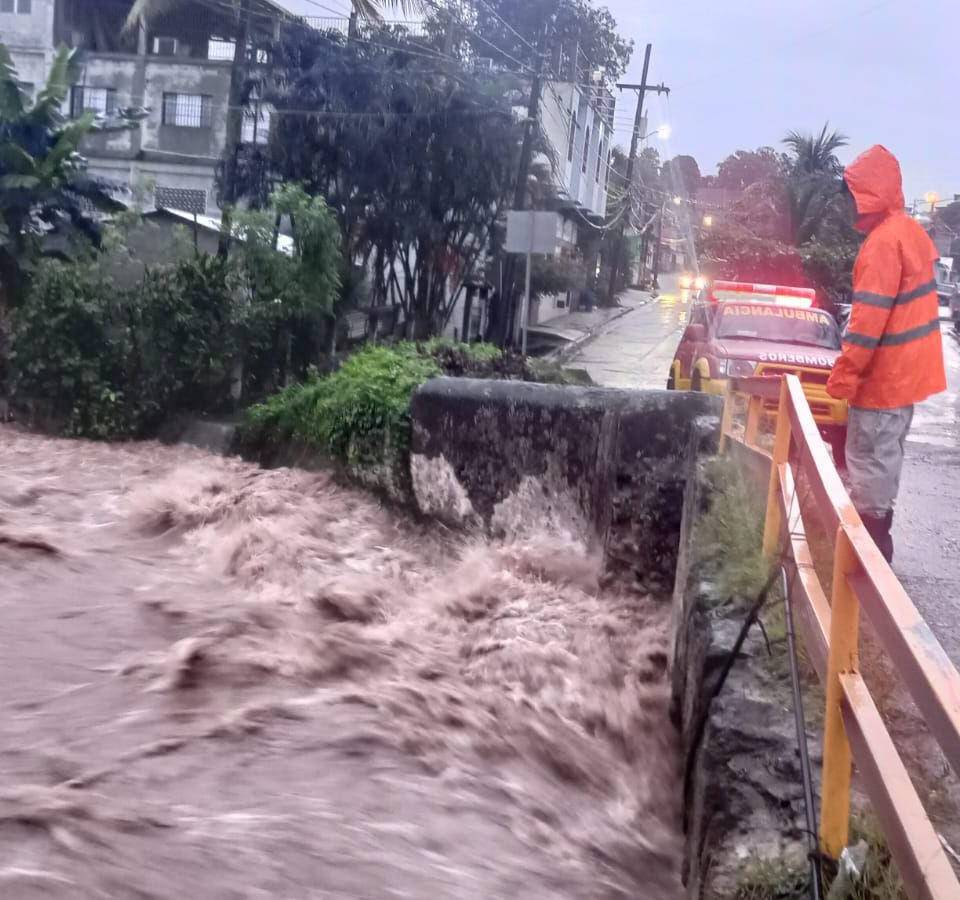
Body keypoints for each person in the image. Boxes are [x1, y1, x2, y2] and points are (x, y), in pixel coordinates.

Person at [826, 145, 946, 562]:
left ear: (868, 194)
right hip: (903, 382)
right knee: (883, 464)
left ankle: (868, 561)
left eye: (851, 196)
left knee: (869, 467)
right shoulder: (910, 234)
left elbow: (866, 325)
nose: (847, 207)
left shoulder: (882, 244)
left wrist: (843, 377)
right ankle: (875, 551)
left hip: (881, 382)